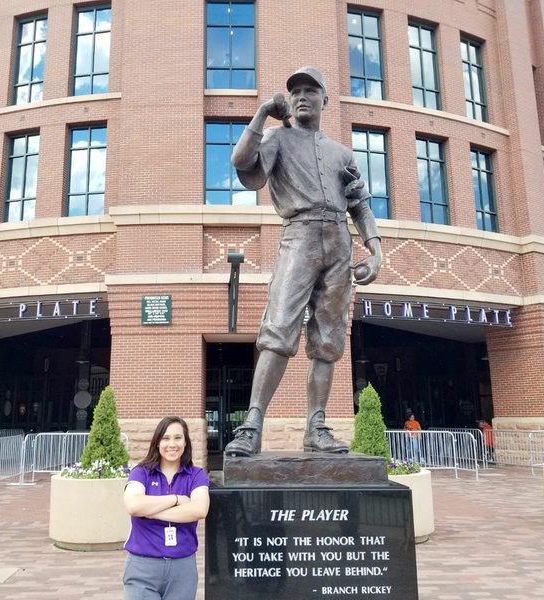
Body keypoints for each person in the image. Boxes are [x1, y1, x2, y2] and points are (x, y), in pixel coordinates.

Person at [224, 66, 383, 457]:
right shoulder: (277, 138)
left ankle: (316, 426)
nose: (301, 97)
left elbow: (359, 203)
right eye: (295, 91)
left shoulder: (341, 152)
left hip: (339, 242)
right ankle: (252, 425)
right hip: (300, 234)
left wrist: (375, 247)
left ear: (324, 99)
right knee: (278, 330)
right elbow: (241, 162)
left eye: (311, 90)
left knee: (328, 341)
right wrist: (262, 113)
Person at [123, 417, 210, 599]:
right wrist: (176, 499)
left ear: (185, 442)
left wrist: (149, 511)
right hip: (142, 567)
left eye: (178, 438)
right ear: (157, 442)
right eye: (166, 438)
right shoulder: (141, 472)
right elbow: (133, 505)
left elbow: (199, 510)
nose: (172, 444)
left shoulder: (196, 475)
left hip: (182, 569)